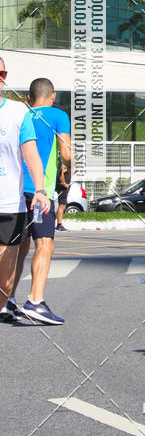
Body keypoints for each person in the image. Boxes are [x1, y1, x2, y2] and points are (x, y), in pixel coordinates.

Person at [9, 78, 71, 325]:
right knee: (45, 243)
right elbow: (65, 152)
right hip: (39, 191)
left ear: (28, 97)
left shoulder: (20, 115)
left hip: (15, 190)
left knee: (18, 248)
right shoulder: (57, 115)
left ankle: (7, 300)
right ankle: (35, 301)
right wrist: (68, 167)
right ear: (52, 96)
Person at [0, 61, 51, 323]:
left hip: (9, 204)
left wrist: (40, 190)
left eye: (1, 73)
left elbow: (31, 154)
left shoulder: (19, 112)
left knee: (6, 281)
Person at [55, 161, 70, 231]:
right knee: (62, 204)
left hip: (62, 185)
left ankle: (59, 224)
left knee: (62, 204)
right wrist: (64, 183)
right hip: (62, 186)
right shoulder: (65, 163)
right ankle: (59, 224)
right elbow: (61, 173)